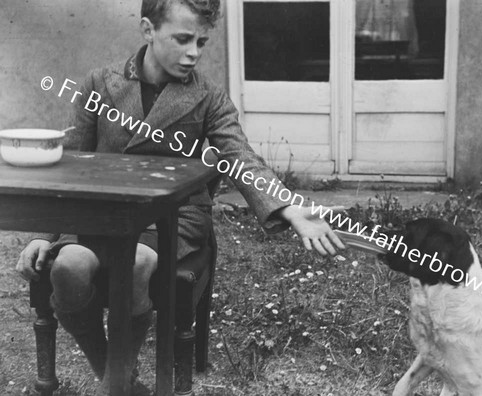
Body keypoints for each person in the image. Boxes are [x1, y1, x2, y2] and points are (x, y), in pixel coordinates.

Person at [15, 0, 345, 394]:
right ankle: (113, 372)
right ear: (147, 30)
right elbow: (69, 163)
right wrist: (43, 235)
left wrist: (287, 205)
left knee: (135, 263)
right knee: (67, 269)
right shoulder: (100, 84)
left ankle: (114, 387)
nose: (194, 53)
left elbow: (240, 156)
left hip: (170, 216)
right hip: (100, 214)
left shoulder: (208, 96)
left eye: (202, 42)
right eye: (183, 39)